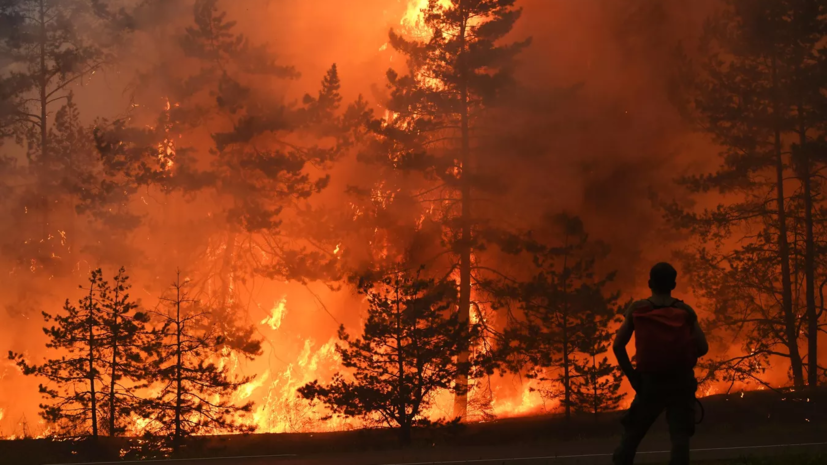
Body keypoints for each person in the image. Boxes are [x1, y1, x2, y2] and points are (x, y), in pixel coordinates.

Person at [612, 262, 709, 465]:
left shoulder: (638, 309)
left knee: (632, 435)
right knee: (680, 439)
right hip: (681, 383)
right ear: (673, 284)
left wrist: (633, 377)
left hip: (650, 384)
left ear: (650, 283)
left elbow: (618, 346)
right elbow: (703, 347)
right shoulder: (685, 311)